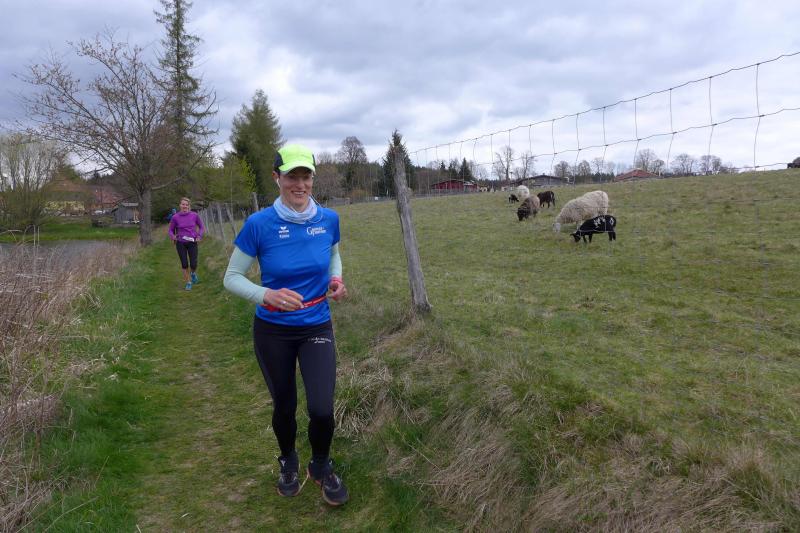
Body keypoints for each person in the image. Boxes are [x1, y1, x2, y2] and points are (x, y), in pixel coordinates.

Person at [222, 144, 349, 506]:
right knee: (284, 405)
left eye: (306, 176)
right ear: (276, 178)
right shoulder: (259, 224)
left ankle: (321, 465)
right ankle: (288, 461)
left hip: (316, 325)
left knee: (322, 408)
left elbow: (334, 256)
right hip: (273, 331)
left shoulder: (329, 219)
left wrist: (336, 280)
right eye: (292, 176)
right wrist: (266, 295)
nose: (300, 184)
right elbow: (231, 277)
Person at [168, 197, 204, 291]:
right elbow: (170, 230)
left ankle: (193, 273)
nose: (184, 206)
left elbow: (201, 227)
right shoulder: (175, 217)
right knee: (184, 264)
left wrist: (199, 236)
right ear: (180, 205)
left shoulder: (194, 215)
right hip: (180, 243)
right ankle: (188, 282)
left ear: (189, 206)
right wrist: (173, 236)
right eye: (183, 204)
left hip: (192, 242)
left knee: (193, 264)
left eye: (186, 205)